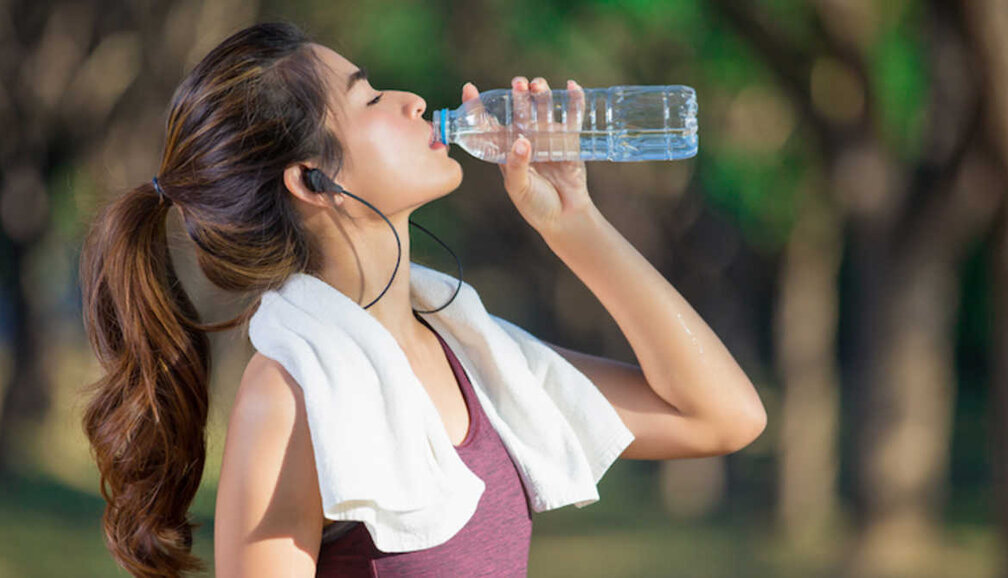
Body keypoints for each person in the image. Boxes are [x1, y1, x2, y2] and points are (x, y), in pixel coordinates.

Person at [78, 21, 767, 578]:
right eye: (369, 98)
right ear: (313, 181)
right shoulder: (289, 398)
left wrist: (572, 222)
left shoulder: (475, 356)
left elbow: (721, 418)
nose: (411, 100)